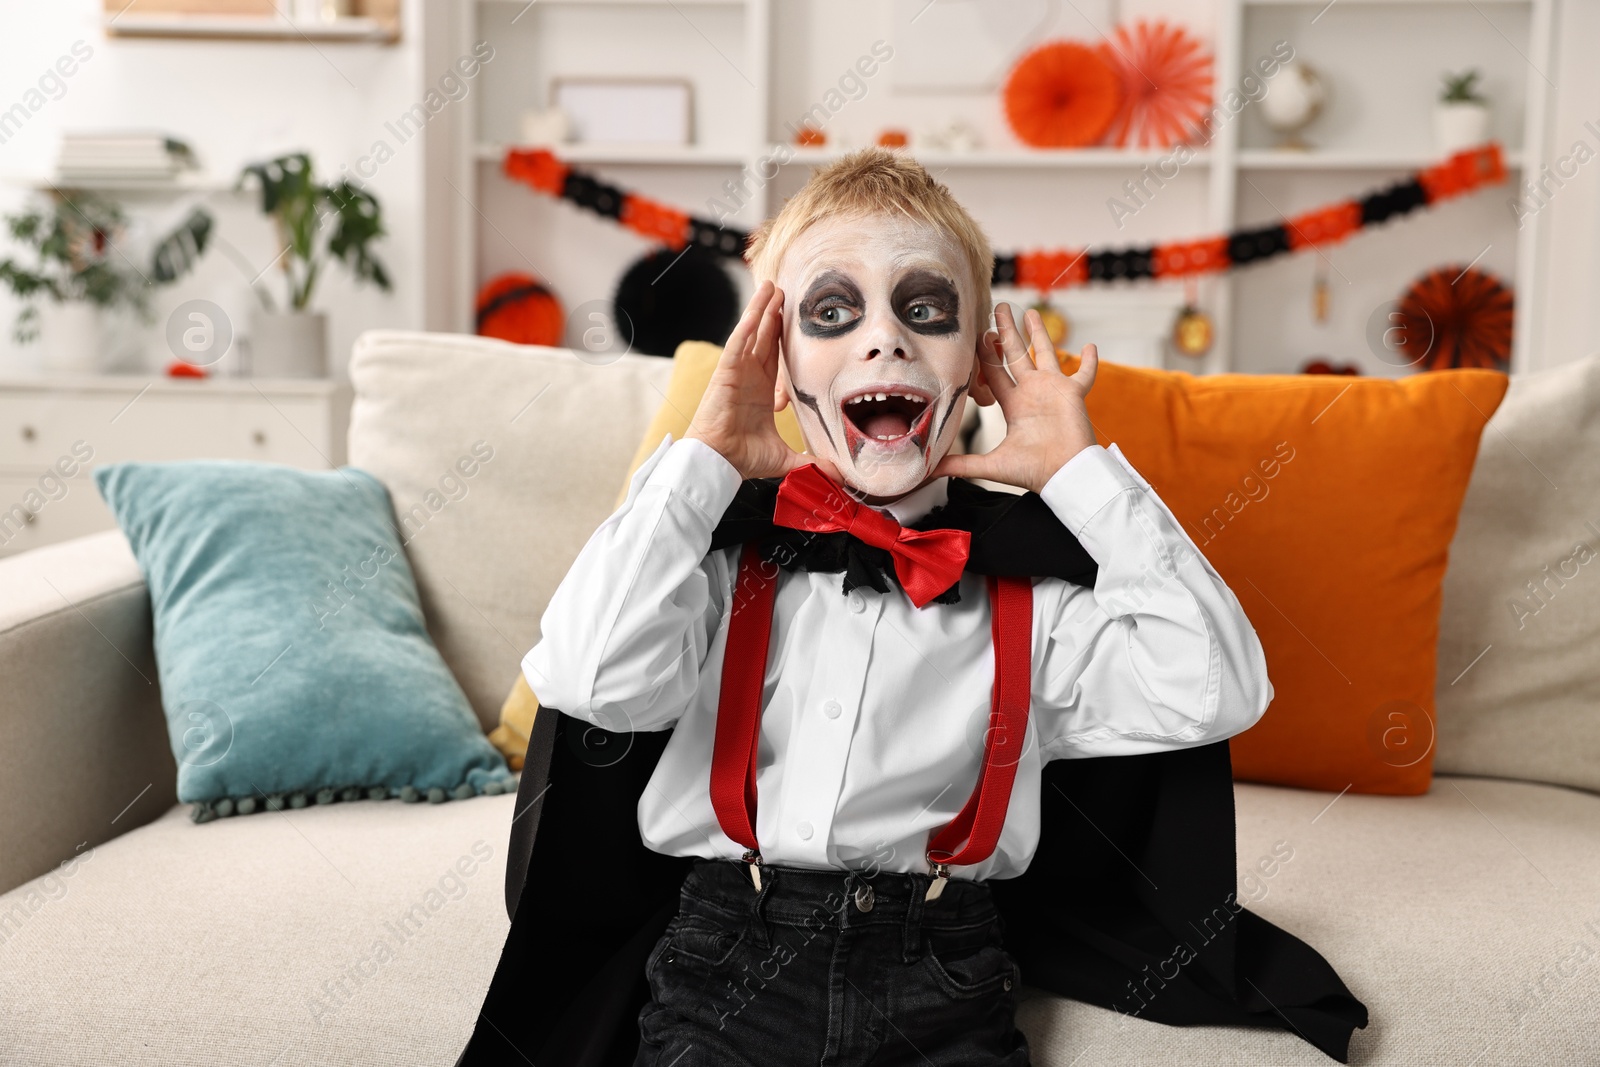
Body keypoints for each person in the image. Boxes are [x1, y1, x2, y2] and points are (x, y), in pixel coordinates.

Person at [456, 149, 1367, 1067]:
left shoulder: (1034, 602)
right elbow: (589, 678)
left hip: (944, 973)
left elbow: (1216, 689)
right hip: (724, 963)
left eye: (924, 309)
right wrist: (704, 460)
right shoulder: (717, 571)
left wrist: (1081, 477)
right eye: (831, 311)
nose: (884, 338)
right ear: (779, 363)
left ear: (976, 366)